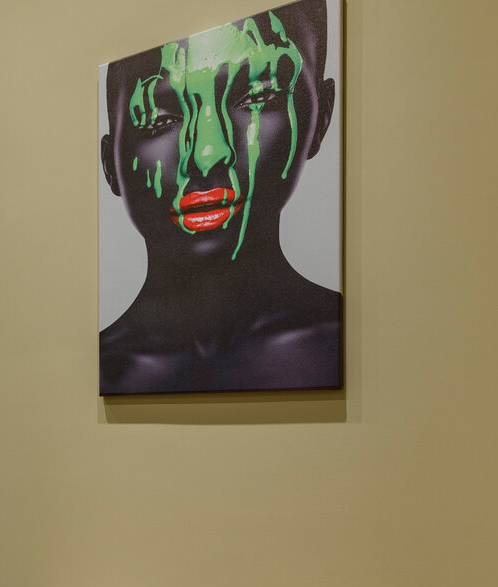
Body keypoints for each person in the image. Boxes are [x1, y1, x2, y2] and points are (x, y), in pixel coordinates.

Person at [99, 0, 340, 394]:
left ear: (322, 117)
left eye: (256, 98)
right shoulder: (99, 370)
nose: (208, 154)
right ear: (111, 163)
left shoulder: (358, 345)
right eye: (160, 119)